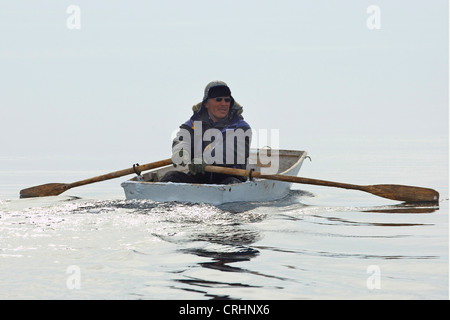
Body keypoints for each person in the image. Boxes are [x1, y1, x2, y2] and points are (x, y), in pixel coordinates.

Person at [160, 81, 252, 185]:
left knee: (232, 183)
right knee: (171, 177)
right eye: (218, 99)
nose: (224, 104)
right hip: (199, 177)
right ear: (206, 103)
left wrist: (207, 159)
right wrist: (181, 151)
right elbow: (183, 138)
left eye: (227, 100)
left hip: (229, 177)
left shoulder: (241, 127)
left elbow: (232, 151)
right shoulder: (193, 124)